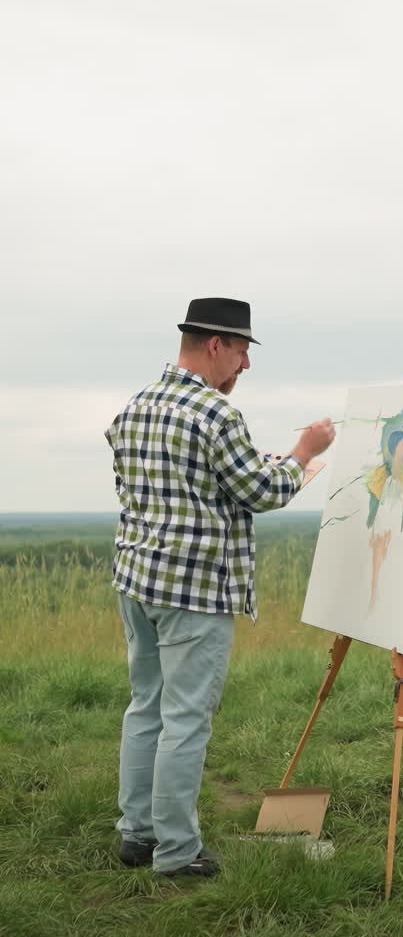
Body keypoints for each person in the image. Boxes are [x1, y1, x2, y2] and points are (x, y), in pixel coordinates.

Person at [104, 297, 335, 878]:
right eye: (241, 351)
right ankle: (177, 856)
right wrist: (304, 455)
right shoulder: (215, 414)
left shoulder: (136, 407)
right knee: (185, 720)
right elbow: (262, 493)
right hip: (195, 591)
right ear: (215, 346)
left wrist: (273, 462)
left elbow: (195, 485)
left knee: (146, 708)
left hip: (137, 581)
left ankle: (138, 836)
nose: (245, 366)